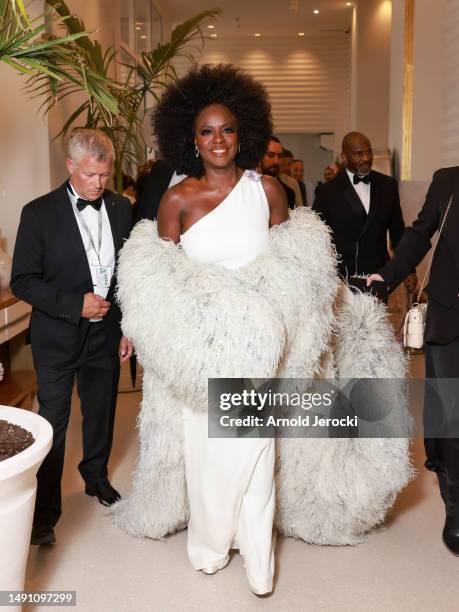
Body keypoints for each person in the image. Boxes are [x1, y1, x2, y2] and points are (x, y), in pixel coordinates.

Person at [113, 64, 411, 595]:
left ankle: (257, 556)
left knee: (257, 454)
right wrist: (149, 331)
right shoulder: (176, 202)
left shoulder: (269, 191)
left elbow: (295, 270)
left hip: (261, 352)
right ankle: (208, 545)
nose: (218, 140)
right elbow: (158, 280)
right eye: (207, 131)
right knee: (207, 457)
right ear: (192, 139)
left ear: (243, 132)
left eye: (227, 129)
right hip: (202, 354)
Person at [11, 129, 133, 546]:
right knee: (54, 423)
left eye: (105, 174)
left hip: (106, 335)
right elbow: (23, 281)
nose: (99, 184)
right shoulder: (38, 213)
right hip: (57, 337)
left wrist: (127, 325)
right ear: (70, 167)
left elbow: (128, 277)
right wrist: (73, 304)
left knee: (101, 411)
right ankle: (44, 513)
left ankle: (96, 478)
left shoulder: (121, 208)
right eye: (90, 175)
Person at [367, 166, 459, 555]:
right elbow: (420, 234)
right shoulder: (448, 182)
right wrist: (387, 276)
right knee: (448, 412)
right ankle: (455, 505)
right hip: (450, 312)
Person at [313, 131, 408, 280]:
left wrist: (408, 269)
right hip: (342, 278)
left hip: (379, 275)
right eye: (358, 154)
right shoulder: (327, 192)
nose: (366, 158)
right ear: (344, 157)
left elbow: (398, 232)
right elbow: (317, 238)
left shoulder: (388, 185)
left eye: (368, 152)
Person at [260, 136, 296, 209]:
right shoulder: (245, 187)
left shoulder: (288, 192)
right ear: (258, 155)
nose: (276, 161)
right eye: (270, 155)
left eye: (279, 156)